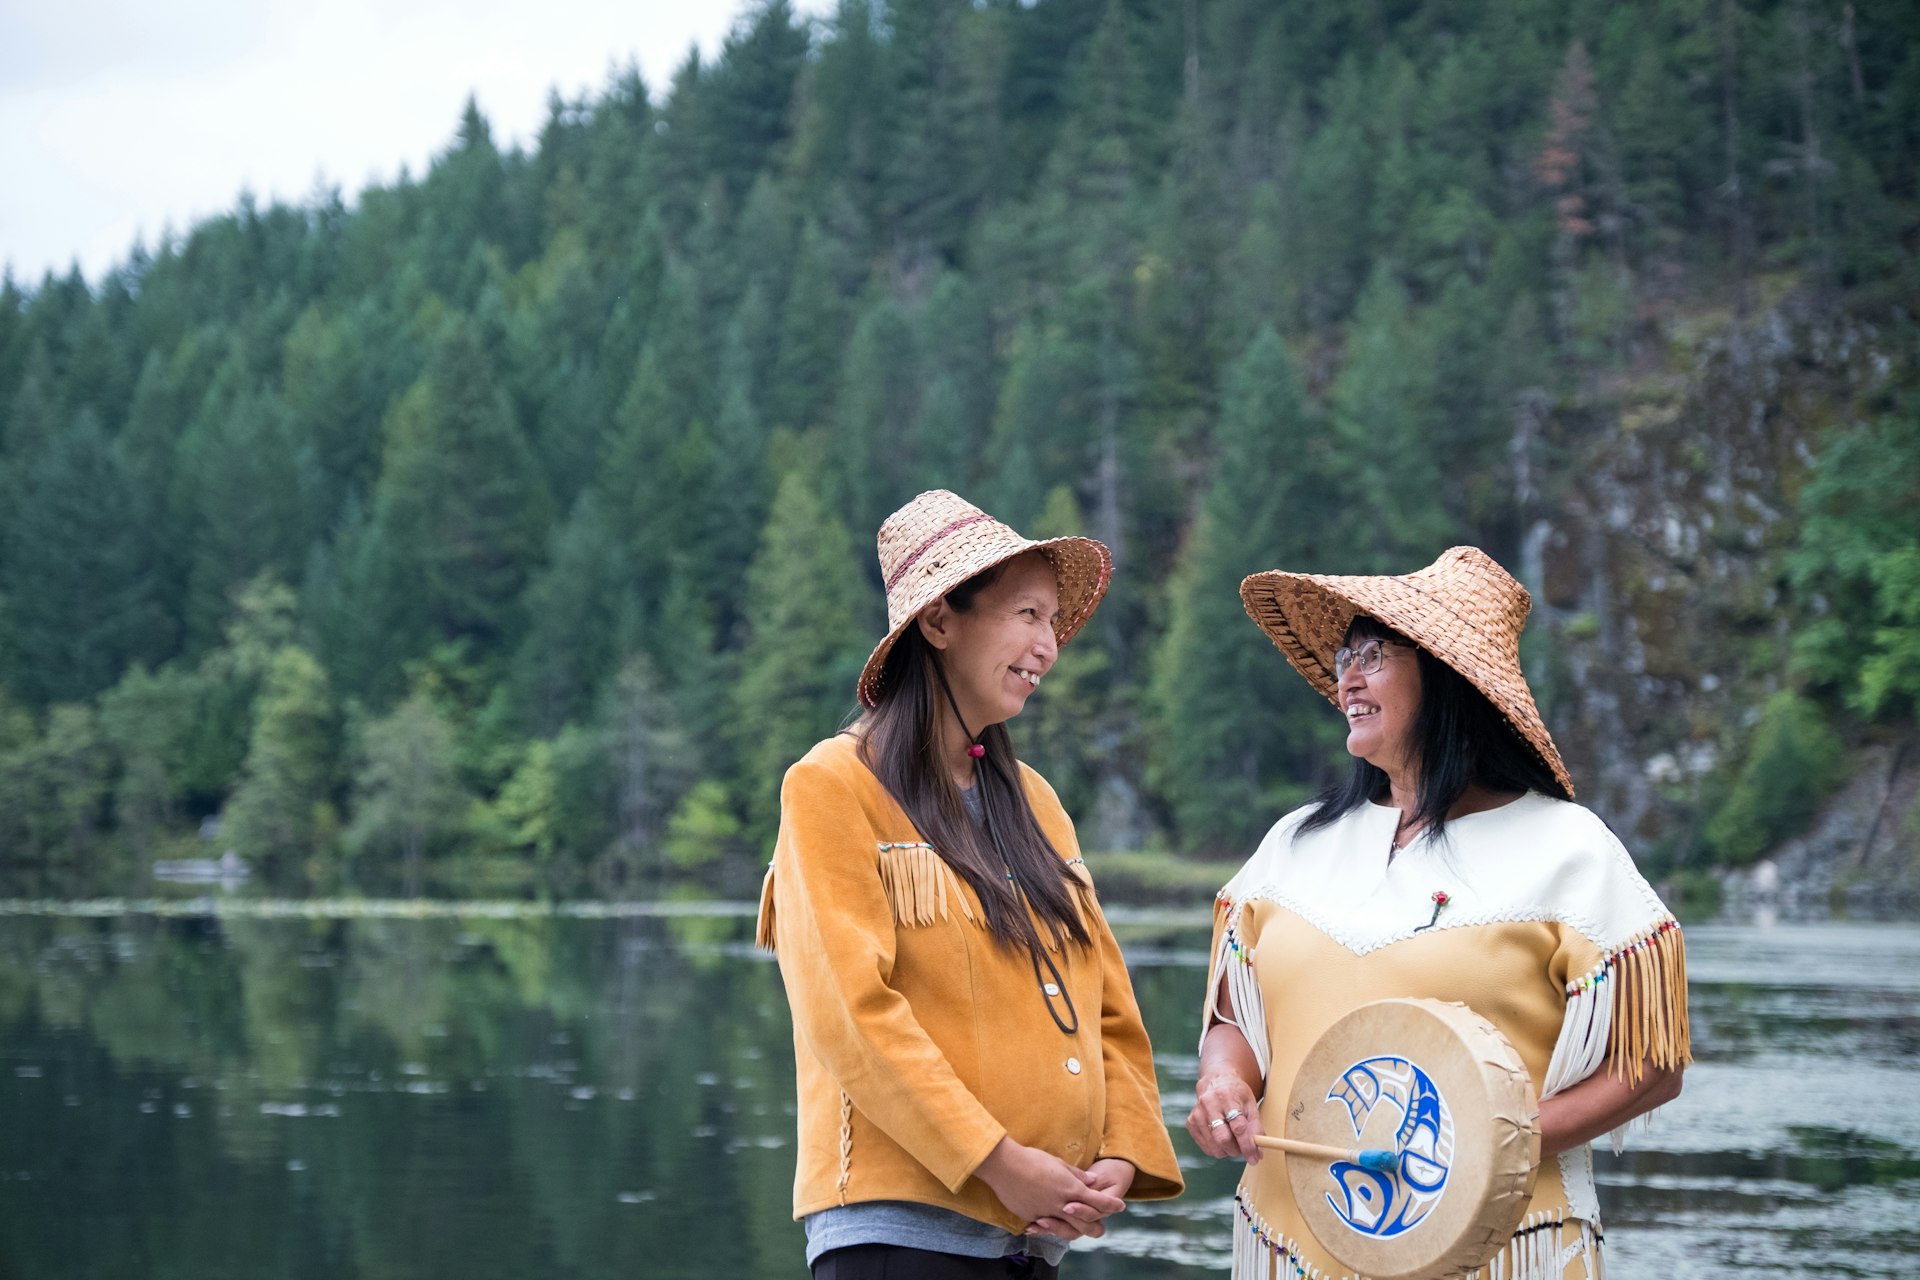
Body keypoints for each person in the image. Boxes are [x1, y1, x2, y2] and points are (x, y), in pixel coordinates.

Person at [1186, 546, 1689, 1279]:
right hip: (1293, 1244)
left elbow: (1652, 1061)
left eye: (1375, 655)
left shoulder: (1567, 848)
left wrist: (1490, 1147)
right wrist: (1222, 1084)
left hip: (1500, 1246)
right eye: (1344, 656)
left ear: (1448, 678)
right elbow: (1238, 1019)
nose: (1346, 677)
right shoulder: (1293, 845)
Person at [757, 489, 1183, 1280]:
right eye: (1027, 614)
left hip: (1031, 1245)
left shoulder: (1040, 805)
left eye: (1054, 622)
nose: (1048, 645)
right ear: (940, 621)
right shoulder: (831, 786)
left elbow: (1108, 1009)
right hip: (897, 1245)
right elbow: (852, 1015)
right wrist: (996, 1160)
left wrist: (1121, 1153)